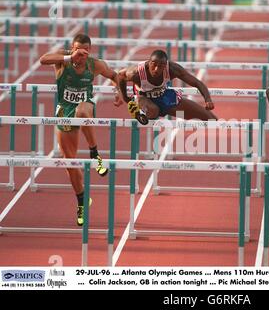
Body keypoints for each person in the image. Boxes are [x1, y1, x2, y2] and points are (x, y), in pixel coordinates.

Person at [40, 33, 123, 226]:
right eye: (78, 49)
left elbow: (115, 76)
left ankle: (95, 153)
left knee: (83, 109)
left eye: (85, 51)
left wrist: (119, 91)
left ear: (90, 50)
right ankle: (82, 201)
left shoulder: (95, 65)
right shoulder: (63, 59)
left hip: (84, 107)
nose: (81, 53)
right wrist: (70, 57)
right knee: (69, 162)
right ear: (72, 47)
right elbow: (43, 59)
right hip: (63, 110)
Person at [117, 50, 217, 123]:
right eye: (154, 64)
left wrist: (208, 99)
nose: (156, 69)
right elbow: (120, 76)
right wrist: (125, 98)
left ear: (165, 66)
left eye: (160, 66)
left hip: (165, 98)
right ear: (149, 62)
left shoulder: (173, 69)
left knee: (210, 118)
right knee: (153, 111)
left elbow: (196, 83)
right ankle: (139, 110)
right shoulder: (136, 73)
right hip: (144, 97)